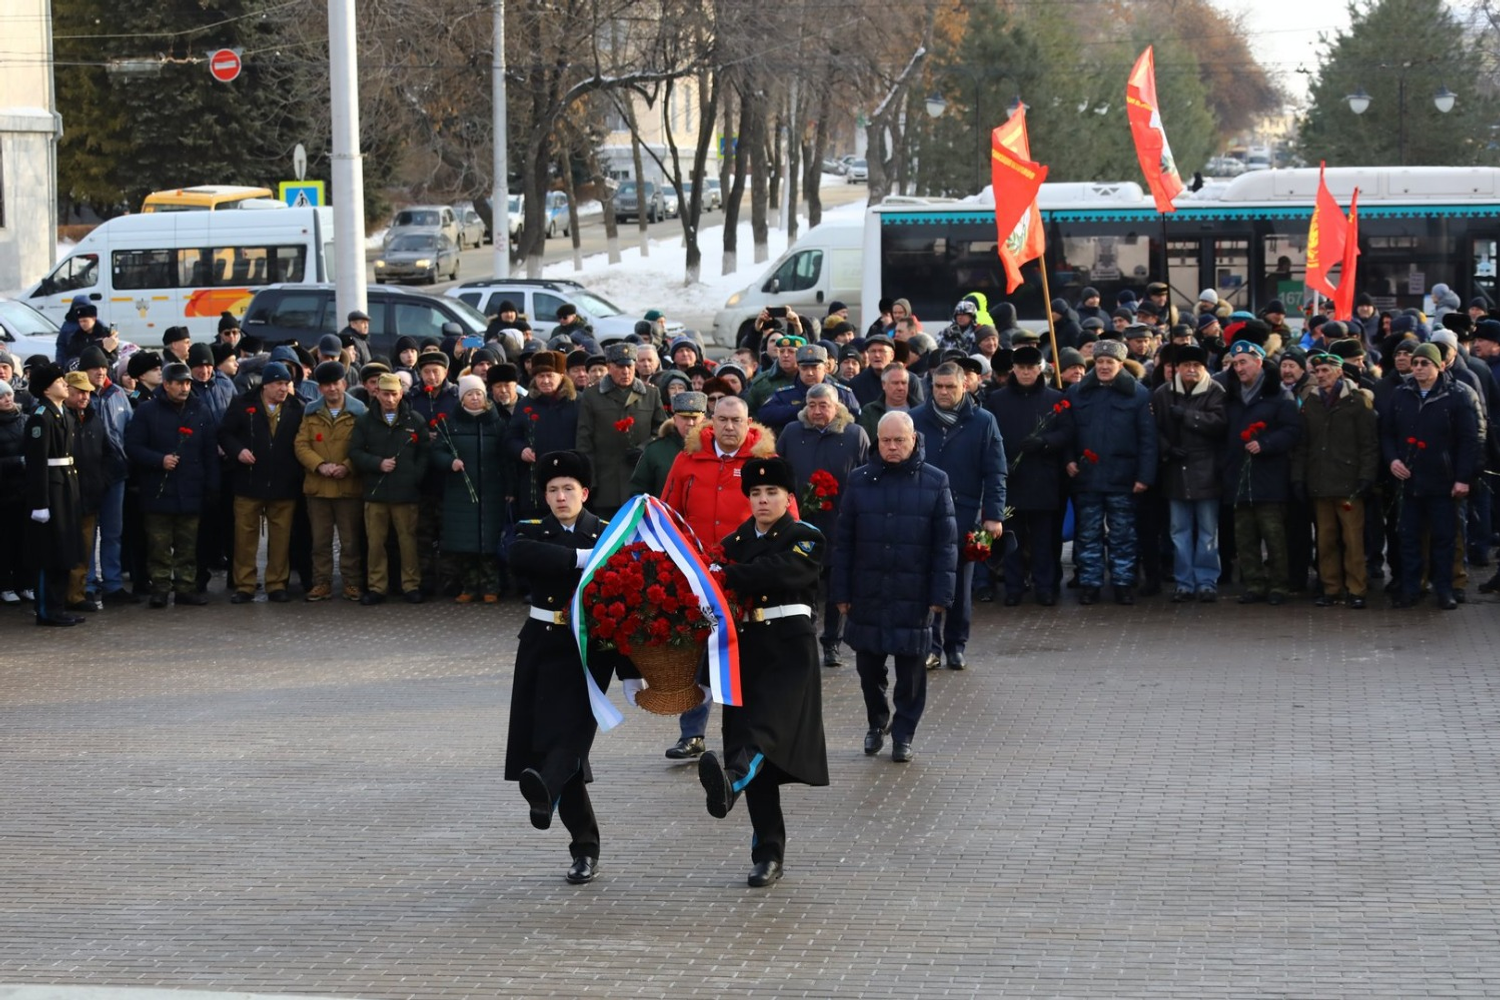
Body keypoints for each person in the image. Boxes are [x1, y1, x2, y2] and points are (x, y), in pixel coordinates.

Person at [697, 457, 829, 889]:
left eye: (772, 492)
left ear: (788, 497)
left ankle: (731, 782)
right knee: (748, 745)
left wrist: (730, 574)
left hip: (789, 649)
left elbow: (786, 571)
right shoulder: (733, 541)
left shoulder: (805, 536)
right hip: (746, 650)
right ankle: (767, 853)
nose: (763, 500)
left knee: (766, 730)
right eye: (755, 493)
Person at [507, 450, 636, 885]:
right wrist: (580, 558)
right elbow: (519, 554)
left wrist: (631, 670)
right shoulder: (531, 529)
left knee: (572, 741)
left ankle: (545, 793)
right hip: (542, 647)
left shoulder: (607, 532)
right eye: (552, 490)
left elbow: (628, 600)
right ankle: (584, 846)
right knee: (551, 749)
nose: (560, 497)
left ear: (585, 492)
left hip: (589, 650)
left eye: (568, 488)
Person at [660, 395, 780, 761]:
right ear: (711, 421)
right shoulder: (687, 459)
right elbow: (668, 512)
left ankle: (748, 733)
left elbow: (784, 516)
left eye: (736, 420)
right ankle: (692, 734)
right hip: (695, 573)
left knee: (741, 655)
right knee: (694, 654)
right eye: (722, 419)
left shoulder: (764, 461)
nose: (729, 426)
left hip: (743, 573)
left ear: (748, 422)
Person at [833, 411, 956, 763]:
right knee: (868, 669)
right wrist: (840, 592)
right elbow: (844, 542)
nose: (892, 446)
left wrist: (941, 595)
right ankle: (877, 721)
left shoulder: (935, 481)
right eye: (885, 440)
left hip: (914, 594)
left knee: (911, 674)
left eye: (899, 440)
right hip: (868, 592)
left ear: (913, 439)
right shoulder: (859, 480)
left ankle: (903, 734)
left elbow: (945, 545)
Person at [910, 362, 1006, 669]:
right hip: (922, 514)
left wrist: (993, 515)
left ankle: (956, 645)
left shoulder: (983, 421)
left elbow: (996, 471)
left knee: (961, 587)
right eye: (938, 386)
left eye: (950, 386)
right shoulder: (915, 419)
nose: (943, 392)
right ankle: (930, 646)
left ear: (965, 386)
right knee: (925, 582)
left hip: (964, 514)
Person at [776, 383, 870, 666]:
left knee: (836, 584)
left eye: (823, 406)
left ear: (836, 406)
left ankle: (832, 642)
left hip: (840, 522)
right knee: (803, 582)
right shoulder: (792, 432)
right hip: (800, 523)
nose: (817, 411)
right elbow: (779, 472)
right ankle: (803, 638)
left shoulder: (854, 434)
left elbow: (867, 476)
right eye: (812, 405)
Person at [1383, 343, 1481, 609]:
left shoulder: (1456, 395)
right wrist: (1393, 460)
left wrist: (1462, 478)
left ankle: (1444, 589)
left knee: (1444, 539)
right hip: (1410, 480)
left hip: (1443, 481)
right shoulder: (1401, 394)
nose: (1418, 368)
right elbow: (1387, 433)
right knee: (1409, 538)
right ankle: (1411, 588)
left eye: (1424, 363)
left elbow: (1469, 440)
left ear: (1439, 366)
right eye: (1415, 363)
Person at [1063, 339, 1157, 605]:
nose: (1104, 367)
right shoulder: (1077, 392)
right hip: (1087, 477)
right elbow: (1067, 432)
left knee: (1123, 535)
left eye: (1110, 362)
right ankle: (1090, 584)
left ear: (1121, 364)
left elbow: (1148, 440)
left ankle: (1123, 583)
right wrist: (1068, 460)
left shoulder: (1138, 394)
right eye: (1100, 362)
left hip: (1123, 477)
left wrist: (1144, 476)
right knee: (1088, 535)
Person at [124, 362, 220, 608]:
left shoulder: (200, 410)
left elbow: (210, 451)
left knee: (188, 545)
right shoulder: (147, 411)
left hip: (191, 489)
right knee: (159, 545)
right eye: (179, 383)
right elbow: (133, 446)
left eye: (187, 383)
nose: (184, 388)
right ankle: (160, 588)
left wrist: (212, 486)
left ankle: (185, 588)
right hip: (158, 490)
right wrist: (159, 460)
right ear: (166, 384)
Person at [1292, 351, 1378, 609]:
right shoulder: (1311, 402)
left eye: (1325, 371)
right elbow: (1302, 445)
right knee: (1325, 540)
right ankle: (1331, 588)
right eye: (1317, 371)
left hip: (1349, 482)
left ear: (1339, 372)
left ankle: (1357, 588)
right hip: (1320, 481)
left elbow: (1369, 444)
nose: (1320, 376)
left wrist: (1366, 477)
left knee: (1353, 540)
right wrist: (1298, 478)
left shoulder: (1358, 401)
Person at [985, 345, 1068, 606]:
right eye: (1021, 368)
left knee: (1044, 540)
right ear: (1014, 369)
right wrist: (1001, 464)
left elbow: (1066, 432)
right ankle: (1014, 587)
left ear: (1039, 369)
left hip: (1043, 479)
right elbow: (989, 436)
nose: (1025, 373)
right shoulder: (997, 399)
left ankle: (1045, 587)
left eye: (1030, 368)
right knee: (1012, 539)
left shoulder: (1055, 398)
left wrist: (1045, 442)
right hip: (1010, 480)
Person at [1222, 339, 1302, 605]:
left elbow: (1292, 430)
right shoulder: (1231, 396)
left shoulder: (1279, 395)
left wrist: (1266, 444)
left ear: (1258, 362)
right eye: (1235, 364)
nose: (1238, 369)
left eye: (1243, 362)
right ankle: (1254, 583)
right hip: (1239, 477)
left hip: (1269, 478)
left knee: (1274, 536)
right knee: (1244, 537)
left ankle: (1279, 584)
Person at [217, 362, 305, 604]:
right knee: (245, 538)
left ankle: (277, 584)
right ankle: (244, 585)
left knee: (280, 538)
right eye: (278, 384)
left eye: (286, 384)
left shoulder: (297, 407)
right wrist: (238, 451)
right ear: (265, 385)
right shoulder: (242, 403)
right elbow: (224, 433)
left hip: (283, 484)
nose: (283, 388)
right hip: (249, 482)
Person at [1152, 343, 1227, 602]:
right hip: (1175, 470)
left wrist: (1188, 416)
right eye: (1186, 365)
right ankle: (1183, 582)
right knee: (1178, 530)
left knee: (1207, 531)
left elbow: (1219, 424)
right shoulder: (1163, 393)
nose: (1191, 370)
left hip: (1206, 470)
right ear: (1178, 368)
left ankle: (1206, 581)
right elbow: (1153, 428)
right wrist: (1167, 448)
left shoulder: (1215, 391)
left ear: (1204, 368)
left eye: (1196, 365)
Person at [349, 373, 430, 605]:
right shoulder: (365, 421)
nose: (390, 399)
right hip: (376, 493)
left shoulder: (414, 420)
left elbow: (425, 452)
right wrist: (377, 463)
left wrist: (415, 476)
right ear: (377, 394)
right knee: (375, 543)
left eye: (394, 394)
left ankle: (411, 585)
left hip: (406, 493)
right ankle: (377, 586)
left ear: (401, 394)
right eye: (385, 394)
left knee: (408, 542)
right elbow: (355, 452)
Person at [294, 361, 368, 602]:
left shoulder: (360, 412)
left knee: (350, 541)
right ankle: (321, 583)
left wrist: (348, 466)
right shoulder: (311, 413)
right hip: (318, 488)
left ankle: (352, 583)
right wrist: (320, 465)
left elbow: (366, 445)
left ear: (344, 384)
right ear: (320, 388)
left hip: (349, 488)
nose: (332, 389)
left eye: (335, 383)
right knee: (320, 542)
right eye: (326, 385)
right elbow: (301, 445)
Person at [431, 374, 507, 603]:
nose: (475, 398)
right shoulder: (450, 424)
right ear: (462, 398)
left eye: (479, 394)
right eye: (470, 394)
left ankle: (491, 587)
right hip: (461, 491)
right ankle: (469, 586)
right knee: (466, 543)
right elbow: (436, 452)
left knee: (489, 541)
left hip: (491, 490)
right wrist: (450, 462)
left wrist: (508, 488)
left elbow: (506, 457)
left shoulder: (496, 422)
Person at [24, 365, 86, 626]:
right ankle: (46, 610)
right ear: (47, 389)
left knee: (64, 549)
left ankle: (58, 606)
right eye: (60, 381)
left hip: (66, 486)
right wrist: (40, 503)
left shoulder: (64, 414)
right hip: (51, 489)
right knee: (49, 551)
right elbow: (37, 462)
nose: (65, 385)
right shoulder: (41, 417)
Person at [575, 342, 664, 517]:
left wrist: (644, 449)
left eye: (629, 366)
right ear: (609, 367)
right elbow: (584, 440)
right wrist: (590, 480)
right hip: (607, 484)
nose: (626, 372)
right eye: (620, 367)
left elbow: (661, 430)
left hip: (641, 482)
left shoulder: (651, 394)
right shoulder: (592, 395)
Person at [506, 350, 579, 519]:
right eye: (540, 376)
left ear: (561, 376)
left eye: (550, 376)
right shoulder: (525, 405)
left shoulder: (578, 403)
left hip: (570, 480)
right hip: (535, 485)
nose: (545, 381)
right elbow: (511, 438)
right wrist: (521, 450)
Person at [757, 344, 860, 432]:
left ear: (825, 367)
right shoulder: (785, 394)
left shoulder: (843, 393)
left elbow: (856, 419)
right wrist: (799, 409)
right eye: (804, 368)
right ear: (798, 368)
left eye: (815, 368)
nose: (809, 373)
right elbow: (764, 414)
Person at [628, 390, 707, 498]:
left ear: (703, 420)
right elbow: (639, 490)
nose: (690, 423)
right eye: (684, 418)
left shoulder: (714, 449)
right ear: (675, 420)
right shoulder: (655, 450)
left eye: (694, 418)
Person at [856, 363, 912, 441]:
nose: (900, 387)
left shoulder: (919, 410)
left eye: (904, 383)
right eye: (895, 383)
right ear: (884, 384)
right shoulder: (870, 411)